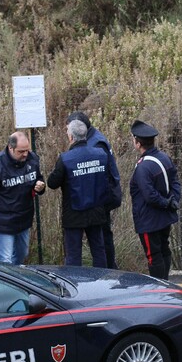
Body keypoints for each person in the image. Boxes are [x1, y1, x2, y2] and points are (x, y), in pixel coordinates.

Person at [47, 119, 109, 267]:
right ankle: (101, 285)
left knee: (74, 254)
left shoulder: (66, 159)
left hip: (74, 213)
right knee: (99, 250)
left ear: (71, 137)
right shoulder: (101, 154)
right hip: (97, 209)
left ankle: (74, 286)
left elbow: (52, 183)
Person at [66, 111, 122, 268]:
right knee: (102, 238)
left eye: (68, 129)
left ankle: (110, 270)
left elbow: (100, 174)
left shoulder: (95, 144)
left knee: (103, 238)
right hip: (101, 195)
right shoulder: (94, 138)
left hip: (101, 197)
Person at [0, 131, 46, 264]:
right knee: (4, 260)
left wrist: (40, 187)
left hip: (24, 218)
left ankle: (14, 281)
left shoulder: (32, 159)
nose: (25, 154)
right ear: (11, 147)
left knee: (22, 254)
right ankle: (3, 282)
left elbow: (38, 178)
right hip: (3, 222)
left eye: (27, 150)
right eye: (21, 151)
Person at [129, 120, 181, 280]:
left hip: (149, 220)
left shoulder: (143, 167)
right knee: (164, 249)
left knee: (154, 256)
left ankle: (160, 287)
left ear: (138, 143)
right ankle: (166, 283)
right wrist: (173, 200)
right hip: (164, 218)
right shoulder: (164, 158)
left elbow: (149, 195)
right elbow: (176, 182)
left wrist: (166, 203)